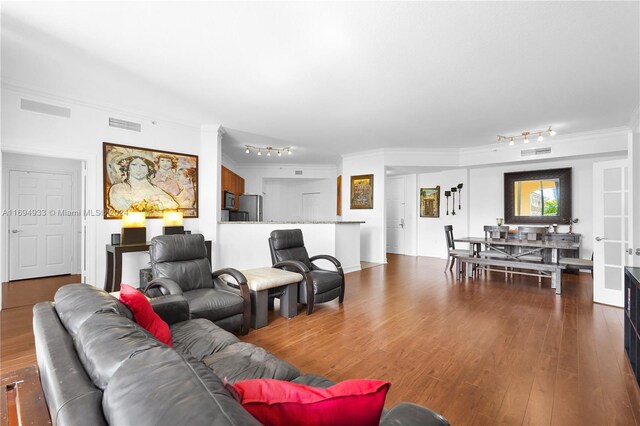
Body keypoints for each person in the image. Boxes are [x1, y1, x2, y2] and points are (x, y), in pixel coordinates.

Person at [108, 155, 178, 213]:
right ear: (128, 168)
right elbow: (122, 209)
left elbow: (174, 205)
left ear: (148, 170)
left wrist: (159, 198)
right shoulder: (118, 188)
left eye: (143, 165)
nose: (138, 168)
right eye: (134, 165)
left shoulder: (156, 190)